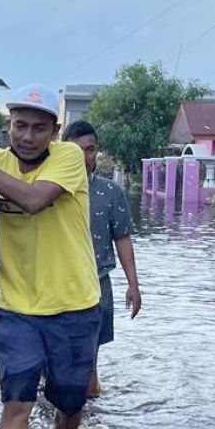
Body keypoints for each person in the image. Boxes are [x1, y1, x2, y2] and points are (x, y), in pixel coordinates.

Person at [0, 84, 101, 429]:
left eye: (38, 128)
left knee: (70, 402)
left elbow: (32, 200)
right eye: (19, 126)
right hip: (16, 309)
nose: (27, 136)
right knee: (16, 405)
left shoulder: (69, 157)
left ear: (55, 131)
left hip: (74, 305)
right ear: (8, 125)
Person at [63, 120, 142, 397]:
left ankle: (89, 417)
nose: (84, 157)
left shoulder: (111, 193)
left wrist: (133, 285)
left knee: (89, 360)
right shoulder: (47, 190)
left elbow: (122, 238)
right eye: (76, 150)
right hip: (55, 284)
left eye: (90, 150)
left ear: (96, 152)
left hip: (97, 285)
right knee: (51, 359)